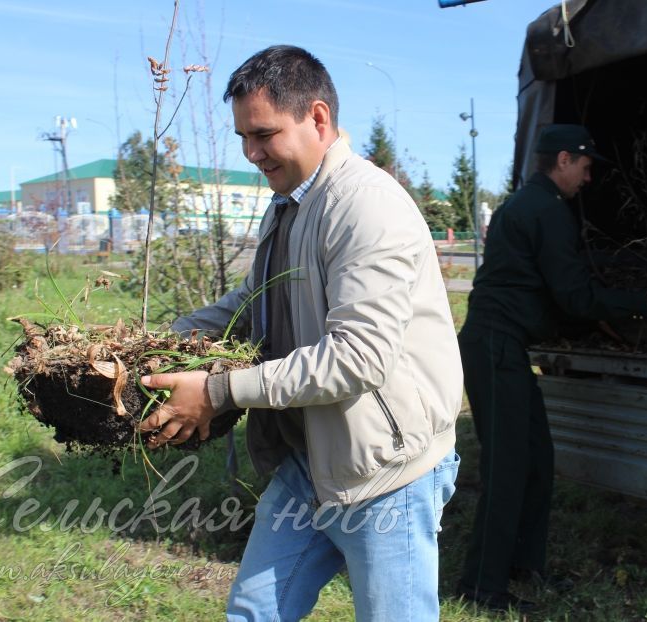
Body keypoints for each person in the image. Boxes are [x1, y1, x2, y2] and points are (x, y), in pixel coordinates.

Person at [137, 45, 463, 621]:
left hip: (384, 469)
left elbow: (359, 358)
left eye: (263, 134)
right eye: (243, 136)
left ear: (317, 117)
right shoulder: (287, 202)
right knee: (253, 612)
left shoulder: (366, 206)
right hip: (307, 460)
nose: (251, 153)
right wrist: (162, 341)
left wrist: (217, 391)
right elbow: (254, 303)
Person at [456, 124, 647, 611]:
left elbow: (552, 293)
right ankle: (483, 587)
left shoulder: (526, 204)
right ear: (563, 159)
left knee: (537, 460)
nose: (588, 179)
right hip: (495, 347)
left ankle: (523, 566)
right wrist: (644, 303)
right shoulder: (548, 210)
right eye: (586, 167)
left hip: (501, 347)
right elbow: (574, 295)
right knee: (508, 468)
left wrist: (599, 318)